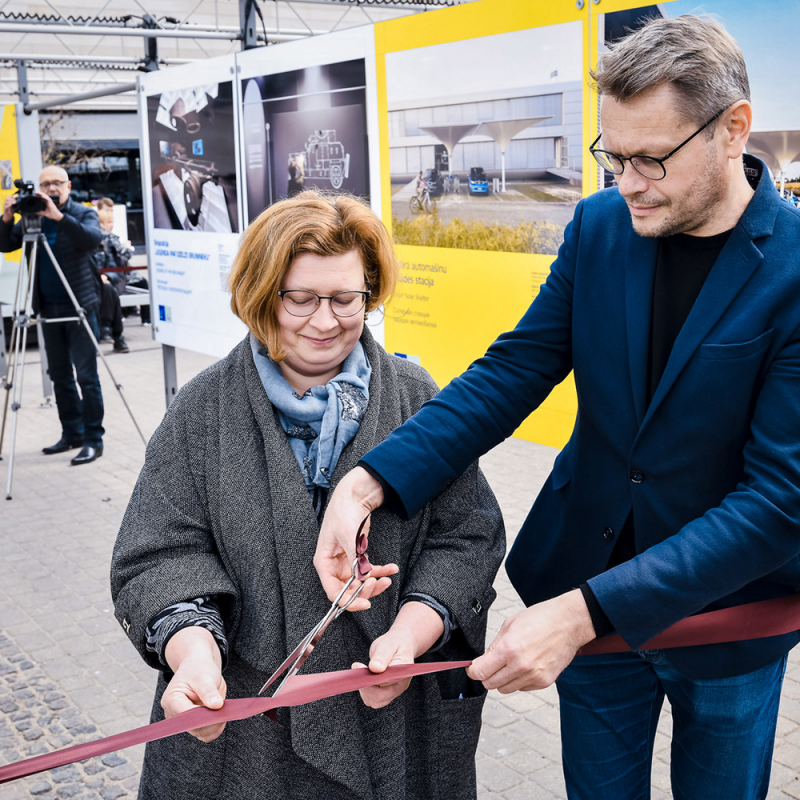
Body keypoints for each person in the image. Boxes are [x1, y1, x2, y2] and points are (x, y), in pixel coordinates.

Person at [315, 16, 800, 800]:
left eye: (651, 159)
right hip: (590, 569)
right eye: (614, 156)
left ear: (732, 128)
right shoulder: (602, 225)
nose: (628, 182)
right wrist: (370, 480)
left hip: (727, 617)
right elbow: (516, 369)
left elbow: (781, 500)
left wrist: (582, 613)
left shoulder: (795, 270)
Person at [110, 191, 504, 800]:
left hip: (391, 717)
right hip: (244, 727)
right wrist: (192, 654)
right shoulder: (202, 409)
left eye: (346, 299)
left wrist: (413, 632)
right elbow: (159, 555)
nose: (326, 321)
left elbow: (468, 535)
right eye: (300, 299)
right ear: (261, 295)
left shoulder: (416, 396)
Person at [0, 165, 105, 465]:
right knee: (59, 375)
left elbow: (91, 240)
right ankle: (71, 432)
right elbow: (4, 244)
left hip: (81, 307)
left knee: (86, 377)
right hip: (47, 307)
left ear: (68, 185)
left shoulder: (83, 213)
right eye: (45, 184)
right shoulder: (32, 217)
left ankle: (93, 439)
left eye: (56, 183)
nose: (51, 188)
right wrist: (7, 218)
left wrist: (59, 217)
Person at [95, 198, 132, 353]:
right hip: (93, 282)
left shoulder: (108, 240)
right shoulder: (97, 239)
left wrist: (106, 276)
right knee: (110, 292)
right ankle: (117, 337)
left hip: (107, 281)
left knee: (110, 291)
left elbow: (112, 267)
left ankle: (108, 330)